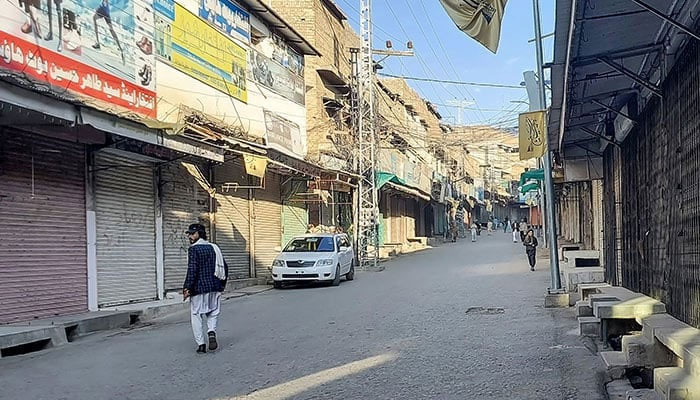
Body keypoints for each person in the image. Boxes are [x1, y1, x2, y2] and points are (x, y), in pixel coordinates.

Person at [184, 223, 228, 354]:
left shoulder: (194, 250)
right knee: (213, 312)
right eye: (189, 234)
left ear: (199, 234)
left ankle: (201, 344)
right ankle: (211, 331)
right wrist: (222, 285)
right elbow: (224, 267)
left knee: (196, 315)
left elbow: (192, 270)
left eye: (192, 234)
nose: (190, 236)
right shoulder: (214, 248)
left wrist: (187, 287)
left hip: (199, 288)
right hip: (214, 287)